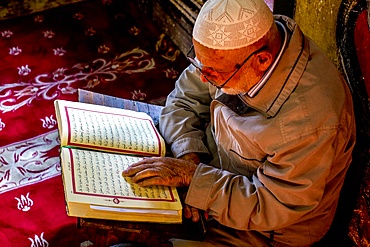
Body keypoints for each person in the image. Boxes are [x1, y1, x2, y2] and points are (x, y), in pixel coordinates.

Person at [122, 0, 356, 246]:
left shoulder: (308, 122)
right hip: (208, 172)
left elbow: (269, 207)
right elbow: (184, 98)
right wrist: (188, 155)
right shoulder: (233, 50)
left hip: (264, 232)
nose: (204, 77)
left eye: (213, 73)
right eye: (201, 64)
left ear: (263, 61)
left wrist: (196, 181)